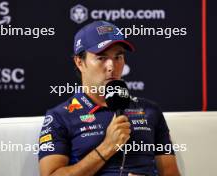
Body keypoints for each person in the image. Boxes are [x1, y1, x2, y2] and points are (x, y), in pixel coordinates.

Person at [38, 20, 180, 176]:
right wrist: (107, 146)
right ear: (79, 62)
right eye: (101, 58)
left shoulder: (149, 111)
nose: (112, 66)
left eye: (118, 57)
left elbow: (171, 173)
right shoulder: (60, 116)